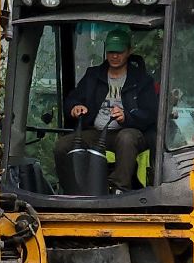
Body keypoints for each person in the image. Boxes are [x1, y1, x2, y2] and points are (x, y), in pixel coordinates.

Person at [54, 28, 158, 192]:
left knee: (126, 138)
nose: (114, 56)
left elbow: (151, 114)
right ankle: (71, 189)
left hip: (130, 131)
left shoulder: (142, 80)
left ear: (129, 51)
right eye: (110, 52)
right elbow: (72, 99)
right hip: (96, 132)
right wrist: (75, 107)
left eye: (119, 52)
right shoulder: (93, 75)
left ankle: (118, 189)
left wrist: (127, 118)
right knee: (62, 145)